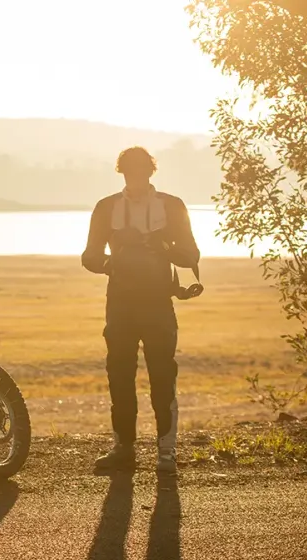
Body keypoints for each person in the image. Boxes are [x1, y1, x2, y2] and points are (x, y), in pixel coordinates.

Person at [81, 146, 200, 475]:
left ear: (150, 172)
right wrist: (113, 261)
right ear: (122, 173)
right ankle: (124, 448)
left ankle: (167, 450)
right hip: (120, 303)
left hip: (158, 301)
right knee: (119, 375)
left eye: (141, 171)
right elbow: (89, 256)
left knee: (163, 375)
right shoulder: (107, 208)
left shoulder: (171, 206)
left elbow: (191, 255)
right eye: (130, 172)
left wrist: (158, 245)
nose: (135, 177)